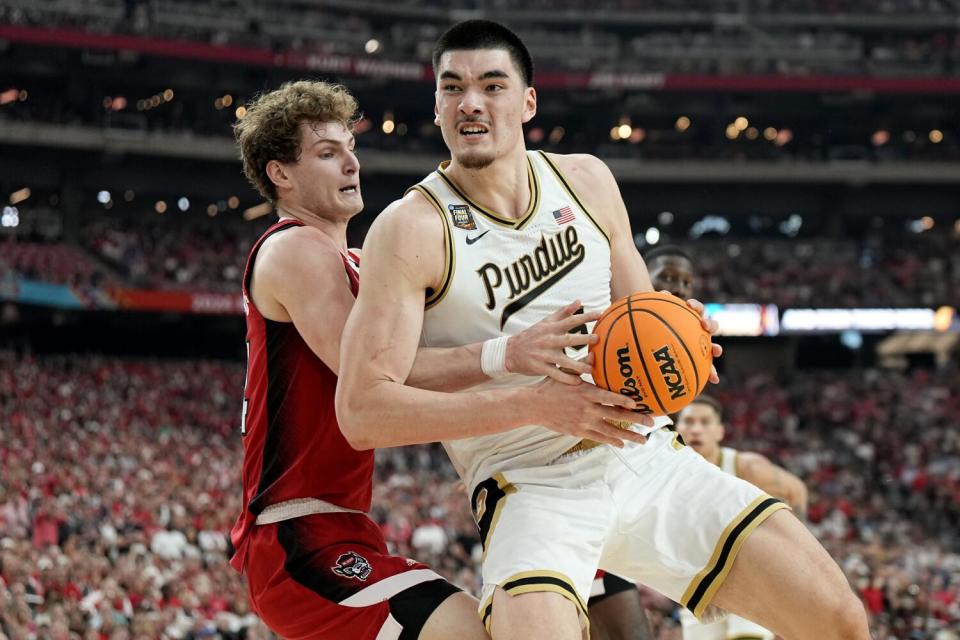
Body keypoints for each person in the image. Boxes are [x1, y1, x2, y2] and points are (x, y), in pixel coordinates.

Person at [337, 19, 868, 640]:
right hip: (528, 483)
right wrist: (526, 393)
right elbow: (362, 409)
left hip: (642, 455)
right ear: (436, 105)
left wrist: (684, 337)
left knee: (839, 621)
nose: (471, 102)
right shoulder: (409, 228)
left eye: (491, 85)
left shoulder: (587, 180)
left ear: (528, 101)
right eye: (452, 87)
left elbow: (640, 313)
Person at [229, 79, 635, 640]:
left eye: (351, 148)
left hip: (344, 528)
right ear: (280, 174)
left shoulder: (358, 263)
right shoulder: (294, 248)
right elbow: (373, 378)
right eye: (327, 153)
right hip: (295, 534)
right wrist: (510, 355)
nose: (351, 163)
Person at [675, 394, 809, 640]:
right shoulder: (669, 473)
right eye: (689, 421)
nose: (696, 429)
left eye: (705, 422)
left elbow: (796, 490)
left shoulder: (746, 467)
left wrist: (798, 557)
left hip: (749, 574)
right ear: (677, 428)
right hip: (699, 581)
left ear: (719, 431)